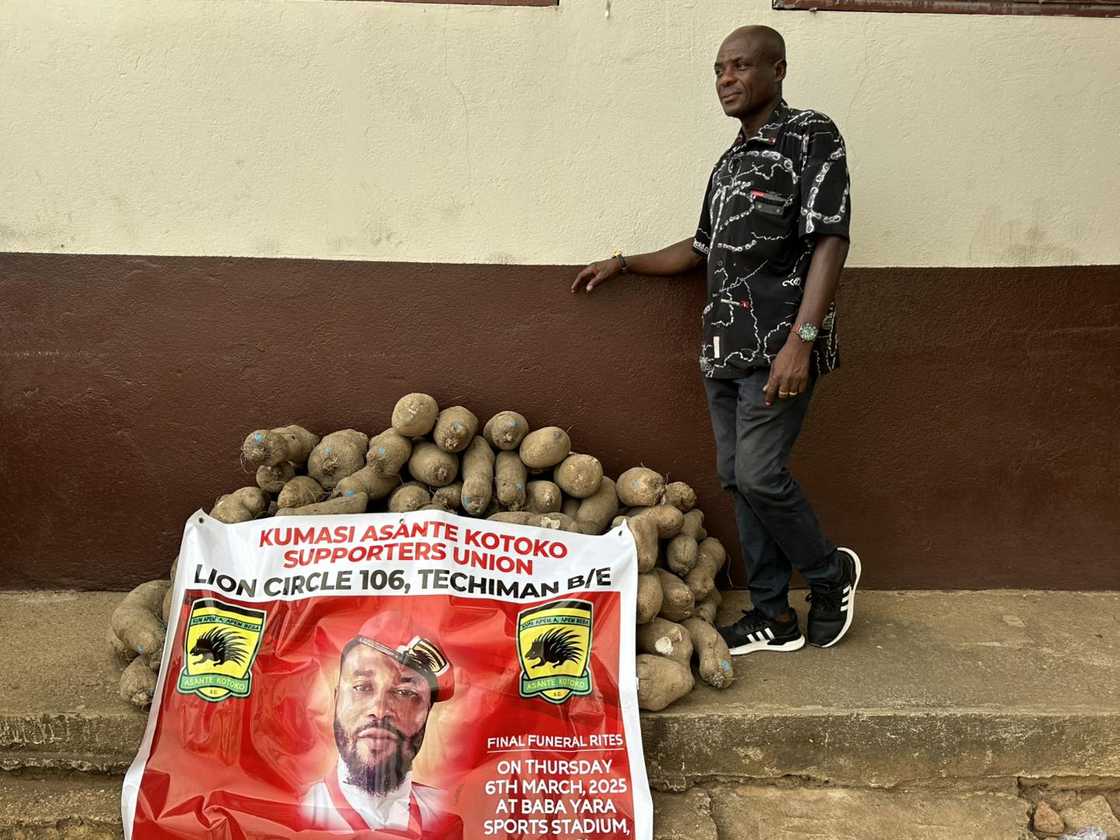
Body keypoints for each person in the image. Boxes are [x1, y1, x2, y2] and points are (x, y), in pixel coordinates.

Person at [573, 25, 861, 655]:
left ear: (777, 70)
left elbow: (830, 240)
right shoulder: (729, 163)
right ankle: (771, 614)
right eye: (718, 70)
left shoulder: (811, 136)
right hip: (723, 350)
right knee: (736, 477)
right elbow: (699, 248)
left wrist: (802, 341)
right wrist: (623, 262)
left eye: (740, 66)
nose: (726, 79)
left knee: (760, 475)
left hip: (779, 349)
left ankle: (828, 573)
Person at [300, 613, 461, 837]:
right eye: (362, 687)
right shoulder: (290, 811)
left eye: (405, 693)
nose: (380, 710)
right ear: (337, 700)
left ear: (427, 711)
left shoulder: (454, 813)